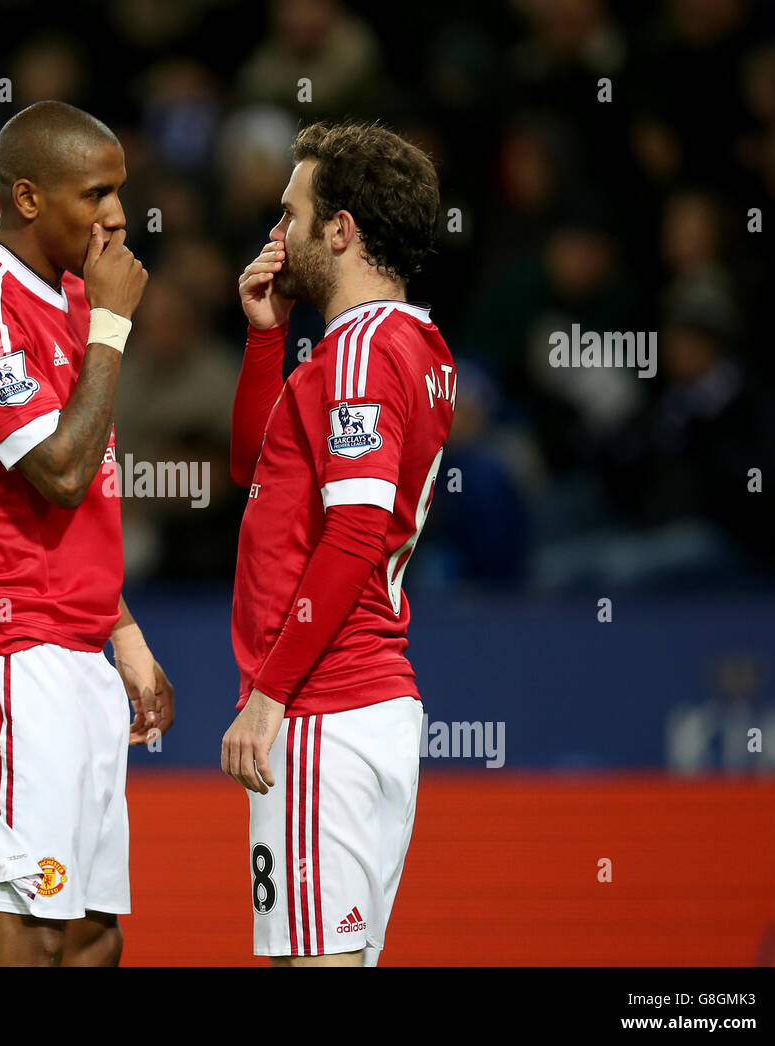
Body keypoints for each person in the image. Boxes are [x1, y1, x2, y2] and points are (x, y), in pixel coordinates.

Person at [0, 101, 173, 967]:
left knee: (93, 934)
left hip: (73, 643)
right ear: (28, 195)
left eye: (121, 193)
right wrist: (112, 327)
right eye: (95, 194)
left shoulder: (66, 297)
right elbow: (59, 471)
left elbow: (82, 496)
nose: (117, 218)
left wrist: (123, 632)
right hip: (4, 644)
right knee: (25, 939)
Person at [222, 121, 453, 966]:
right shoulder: (410, 348)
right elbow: (254, 466)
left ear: (341, 229)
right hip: (365, 705)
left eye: (290, 215)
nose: (275, 236)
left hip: (325, 706)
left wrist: (271, 694)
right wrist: (264, 334)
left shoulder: (359, 355)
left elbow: (355, 530)